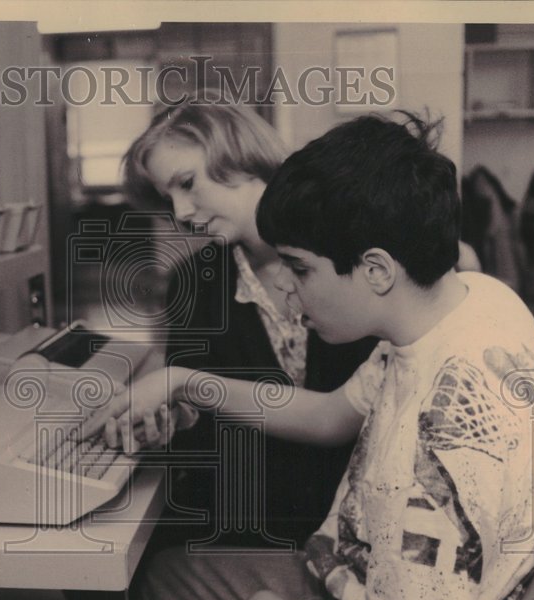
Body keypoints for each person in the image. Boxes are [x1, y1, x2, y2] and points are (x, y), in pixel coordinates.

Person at [98, 112, 534, 600]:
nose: (291, 295)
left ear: (375, 270)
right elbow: (328, 415)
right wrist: (186, 381)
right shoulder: (475, 303)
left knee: (166, 598)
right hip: (368, 571)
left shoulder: (427, 464)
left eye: (300, 269)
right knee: (170, 572)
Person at [120, 99, 375, 550]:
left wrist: (182, 384)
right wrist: (168, 417)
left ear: (240, 155)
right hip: (256, 518)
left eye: (187, 183)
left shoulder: (351, 248)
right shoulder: (192, 282)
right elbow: (195, 411)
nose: (179, 212)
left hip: (360, 516)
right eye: (167, 198)